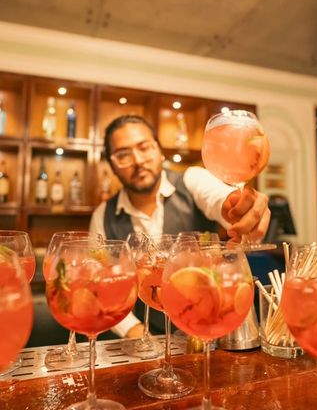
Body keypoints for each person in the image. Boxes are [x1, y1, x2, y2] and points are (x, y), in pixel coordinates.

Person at [89, 114, 270, 337]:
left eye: (144, 147)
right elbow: (100, 286)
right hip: (144, 340)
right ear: (112, 165)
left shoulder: (192, 180)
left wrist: (236, 209)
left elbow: (218, 198)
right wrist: (133, 330)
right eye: (123, 155)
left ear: (159, 150)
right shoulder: (102, 215)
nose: (138, 160)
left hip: (204, 331)